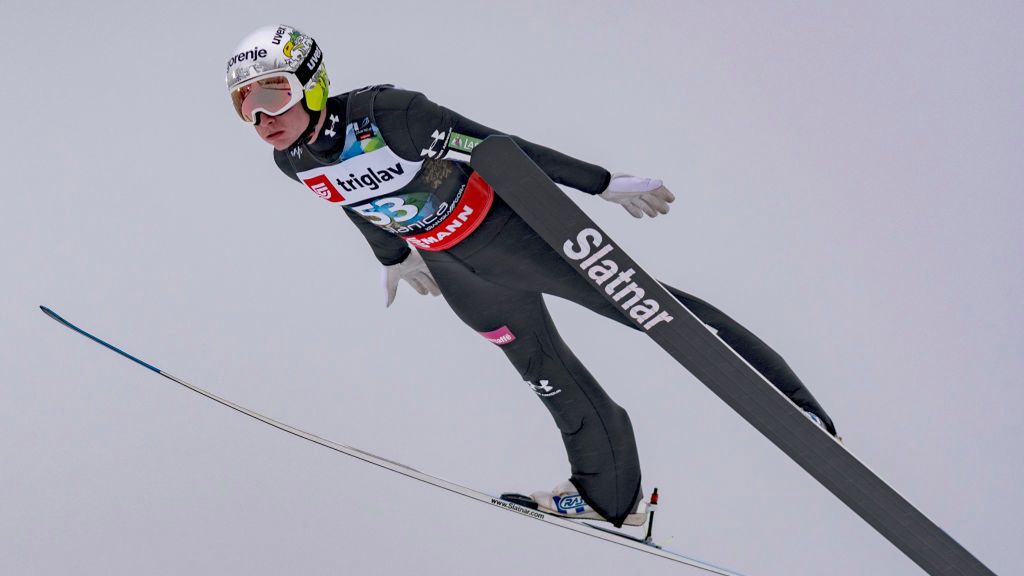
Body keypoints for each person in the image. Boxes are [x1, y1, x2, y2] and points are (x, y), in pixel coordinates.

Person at [226, 24, 838, 528]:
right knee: (547, 376)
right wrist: (395, 258)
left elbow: (498, 147)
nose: (262, 117)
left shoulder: (390, 115)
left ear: (311, 85)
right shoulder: (292, 160)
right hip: (461, 273)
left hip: (515, 235)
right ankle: (610, 500)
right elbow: (353, 203)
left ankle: (795, 407)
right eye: (244, 106)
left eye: (272, 95)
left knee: (647, 308)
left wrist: (602, 183)